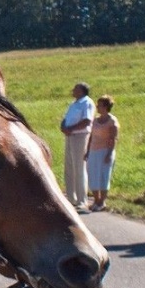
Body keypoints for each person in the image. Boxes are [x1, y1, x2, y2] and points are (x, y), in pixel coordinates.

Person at [60, 82, 95, 212]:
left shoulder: (87, 103)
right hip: (70, 136)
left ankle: (82, 200)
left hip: (80, 136)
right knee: (69, 168)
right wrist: (64, 126)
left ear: (82, 91)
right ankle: (71, 198)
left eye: (75, 89)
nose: (73, 90)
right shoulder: (74, 104)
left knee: (79, 168)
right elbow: (66, 118)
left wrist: (72, 128)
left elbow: (87, 120)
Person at [84, 95, 119, 212]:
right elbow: (91, 137)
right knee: (93, 175)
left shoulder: (112, 121)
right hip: (94, 150)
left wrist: (109, 154)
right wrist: (87, 151)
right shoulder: (95, 120)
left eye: (99, 105)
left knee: (104, 176)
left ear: (105, 106)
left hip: (105, 151)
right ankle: (96, 199)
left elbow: (113, 138)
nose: (97, 107)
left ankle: (102, 201)